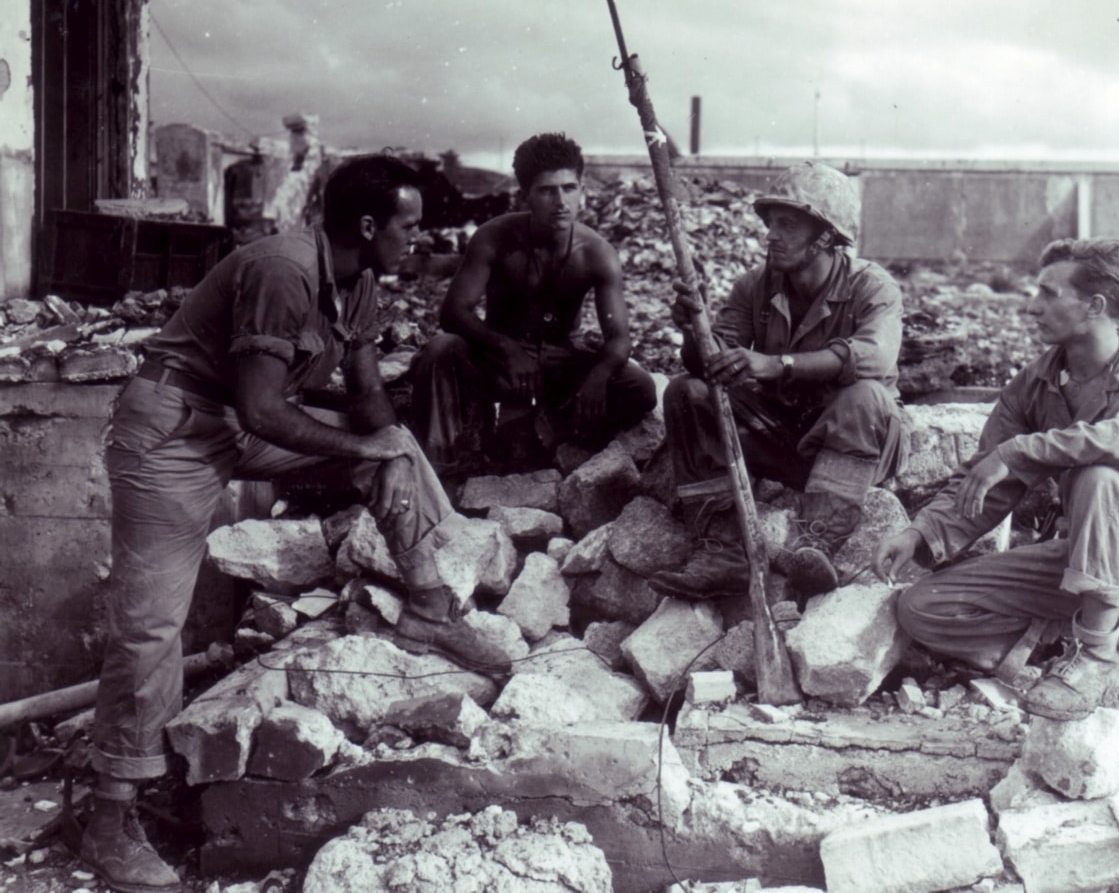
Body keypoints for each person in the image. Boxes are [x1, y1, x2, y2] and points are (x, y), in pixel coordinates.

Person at [85, 155, 501, 893]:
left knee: (391, 447)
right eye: (408, 226)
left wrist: (389, 451)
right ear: (369, 226)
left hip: (230, 419)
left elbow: (370, 400)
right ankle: (110, 821)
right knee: (150, 625)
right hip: (172, 428)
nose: (417, 238)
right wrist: (359, 445)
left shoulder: (360, 280)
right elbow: (263, 410)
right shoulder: (284, 269)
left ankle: (431, 605)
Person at [873, 237, 1119, 721]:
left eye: (1049, 294)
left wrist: (1024, 449)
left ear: (1095, 306)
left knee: (1101, 477)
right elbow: (986, 479)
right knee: (921, 607)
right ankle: (1062, 638)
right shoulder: (1034, 383)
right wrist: (920, 532)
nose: (1032, 307)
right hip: (1081, 558)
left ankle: (1096, 660)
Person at [649, 161, 907, 602]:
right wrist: (697, 328)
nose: (771, 234)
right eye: (771, 223)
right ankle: (724, 551)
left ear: (826, 235)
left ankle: (815, 543)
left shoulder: (873, 286)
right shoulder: (754, 286)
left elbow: (875, 357)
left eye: (787, 224)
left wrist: (778, 365)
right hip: (785, 439)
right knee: (686, 393)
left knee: (865, 395)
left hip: (854, 447)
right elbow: (709, 368)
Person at [411, 133, 656, 474]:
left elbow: (618, 339)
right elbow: (453, 312)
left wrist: (598, 376)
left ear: (582, 190)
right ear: (525, 195)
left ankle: (538, 430)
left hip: (561, 360)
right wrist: (507, 349)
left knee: (639, 388)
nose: (561, 202)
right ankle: (449, 458)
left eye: (570, 188)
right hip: (500, 361)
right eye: (547, 190)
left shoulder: (597, 253)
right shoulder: (494, 237)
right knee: (441, 349)